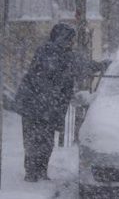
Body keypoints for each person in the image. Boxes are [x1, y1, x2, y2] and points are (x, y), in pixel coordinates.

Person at [14, 24, 103, 182]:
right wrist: (103, 65)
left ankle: (37, 173)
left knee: (36, 141)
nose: (72, 43)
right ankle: (34, 175)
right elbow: (82, 67)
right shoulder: (55, 53)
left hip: (36, 106)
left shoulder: (48, 51)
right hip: (40, 106)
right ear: (62, 38)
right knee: (40, 141)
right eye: (70, 39)